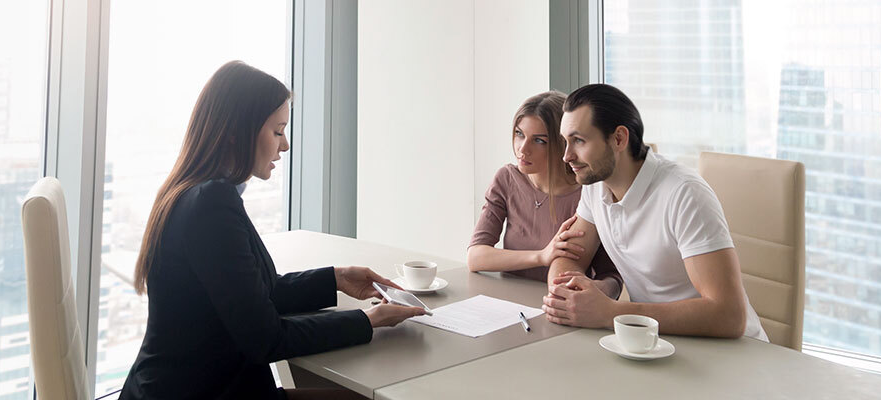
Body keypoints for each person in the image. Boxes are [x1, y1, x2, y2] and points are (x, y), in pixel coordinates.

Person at [119, 61, 427, 400]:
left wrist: (336, 278)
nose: (286, 145)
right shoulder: (211, 206)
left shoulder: (202, 193)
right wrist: (368, 321)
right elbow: (266, 338)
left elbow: (255, 297)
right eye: (278, 131)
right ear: (237, 131)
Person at [540, 83, 767, 340]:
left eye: (578, 141)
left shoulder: (683, 193)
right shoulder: (595, 185)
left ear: (619, 139)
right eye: (565, 142)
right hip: (653, 341)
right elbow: (570, 256)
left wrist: (611, 313)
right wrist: (565, 296)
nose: (567, 156)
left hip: (731, 353)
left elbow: (729, 316)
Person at [466, 91, 621, 298]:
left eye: (539, 141)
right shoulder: (507, 179)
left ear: (564, 144)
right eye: (519, 134)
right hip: (509, 303)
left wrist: (602, 292)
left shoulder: (589, 193)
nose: (523, 149)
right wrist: (541, 256)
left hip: (564, 307)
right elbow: (475, 257)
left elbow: (611, 276)